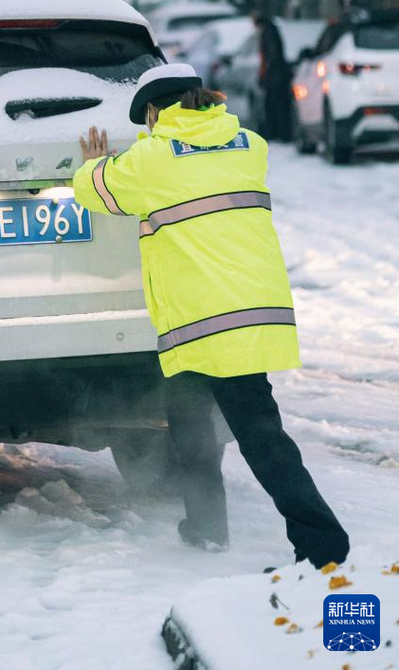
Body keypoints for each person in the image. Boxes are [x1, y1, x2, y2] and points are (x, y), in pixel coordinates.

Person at [71, 63, 350, 568]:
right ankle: (204, 528)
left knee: (255, 439)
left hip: (202, 323)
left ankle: (323, 547)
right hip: (248, 314)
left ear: (155, 112)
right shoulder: (251, 145)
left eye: (147, 118)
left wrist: (93, 164)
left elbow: (98, 193)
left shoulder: (150, 159)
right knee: (197, 426)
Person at [253, 12, 293, 141]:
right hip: (276, 77)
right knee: (275, 106)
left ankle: (280, 133)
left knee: (276, 106)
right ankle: (279, 132)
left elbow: (271, 56)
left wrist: (267, 75)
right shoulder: (271, 31)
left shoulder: (269, 33)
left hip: (275, 79)